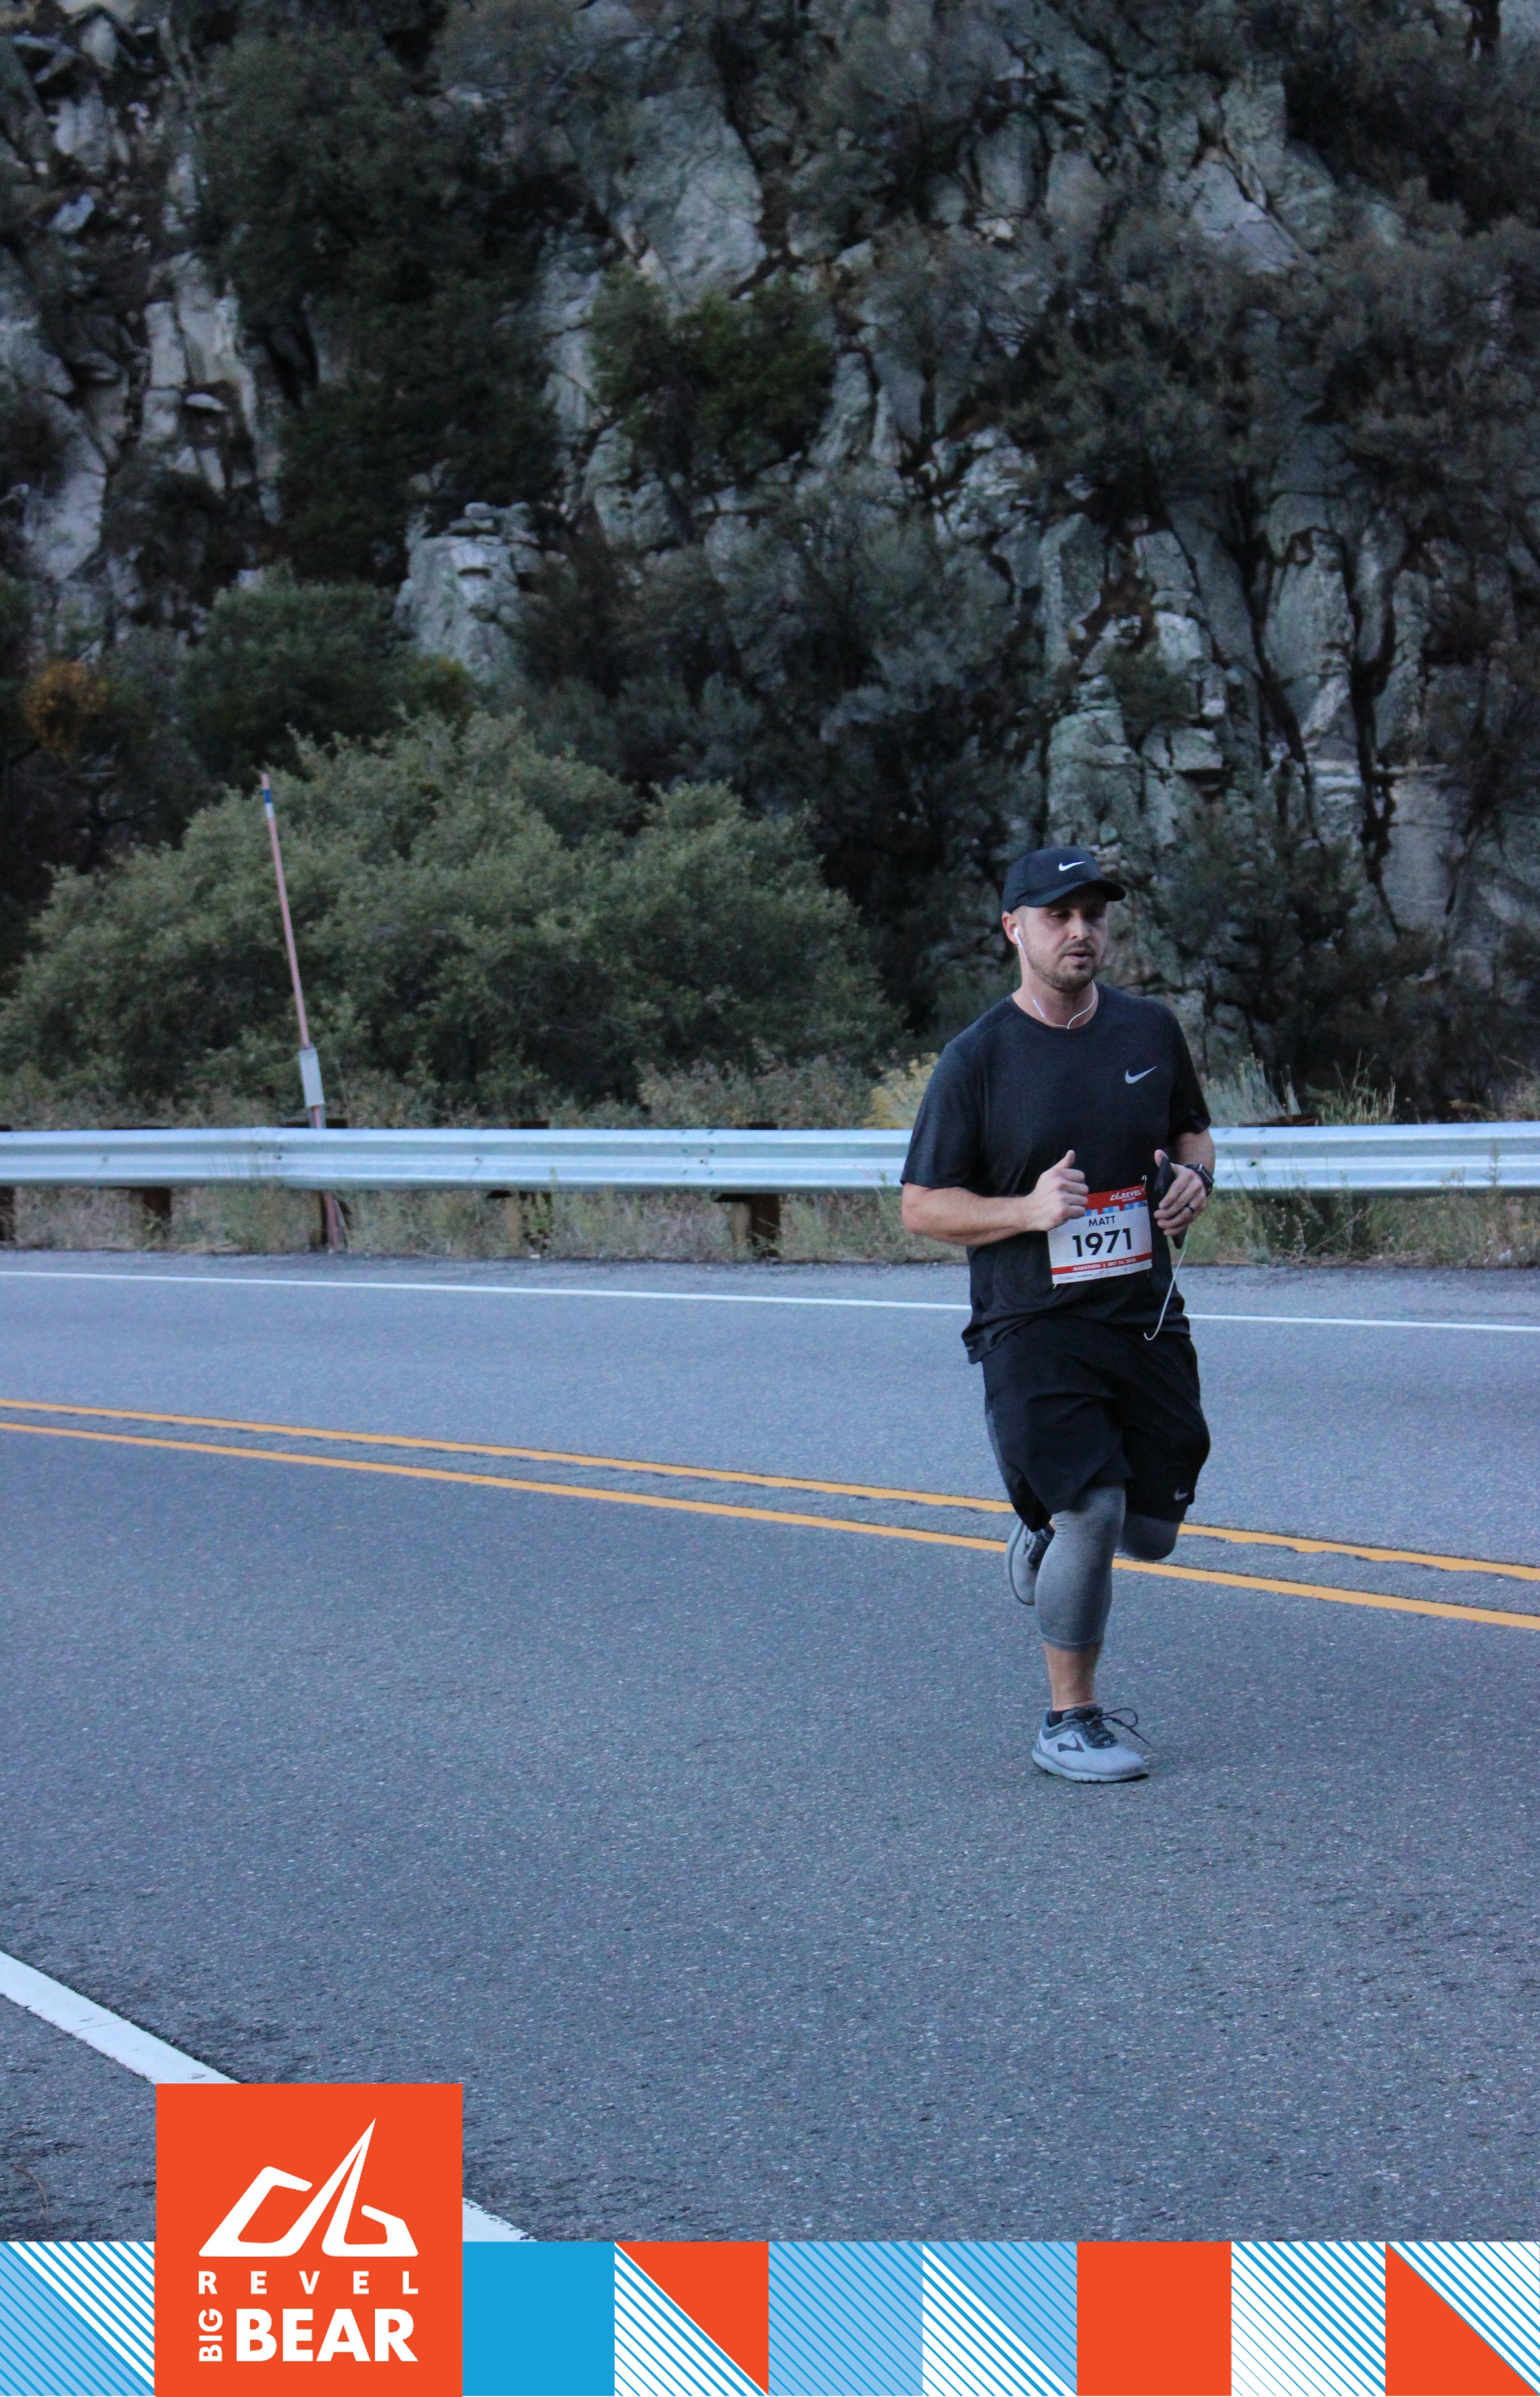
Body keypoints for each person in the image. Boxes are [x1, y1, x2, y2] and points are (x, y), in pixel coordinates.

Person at [900, 845, 1216, 1783]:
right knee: (1095, 1509)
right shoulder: (978, 1059)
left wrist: (1196, 1179)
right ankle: (1068, 1720)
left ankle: (1037, 1524)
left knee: (1150, 1530)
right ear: (1015, 928)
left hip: (1143, 1314)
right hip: (1030, 1322)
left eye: (1093, 914)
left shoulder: (1149, 1030)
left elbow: (1194, 1133)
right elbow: (922, 1206)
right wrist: (1027, 1211)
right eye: (1057, 915)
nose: (1080, 931)